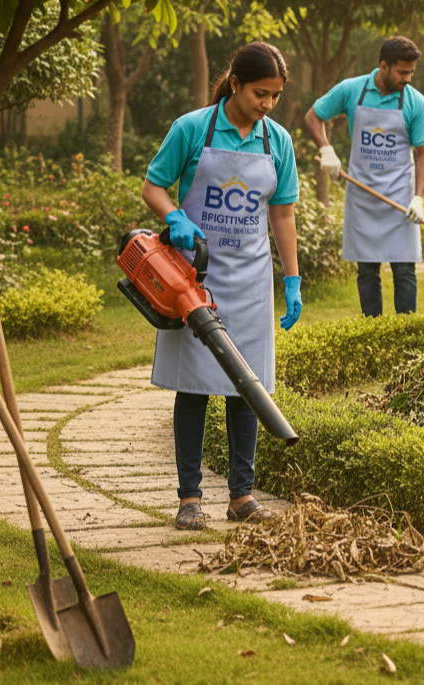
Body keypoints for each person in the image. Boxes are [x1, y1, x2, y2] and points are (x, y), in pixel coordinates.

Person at [141, 42, 303, 530]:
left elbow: (283, 213)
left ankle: (241, 496)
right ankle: (189, 498)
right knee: (194, 387)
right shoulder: (192, 128)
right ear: (235, 84)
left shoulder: (278, 142)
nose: (267, 104)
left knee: (246, 388)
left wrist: (292, 278)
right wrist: (173, 216)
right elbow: (153, 185)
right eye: (260, 93)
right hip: (193, 280)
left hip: (251, 279)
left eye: (275, 96)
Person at [304, 36, 424, 317]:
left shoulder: (416, 102)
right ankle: (372, 329)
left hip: (400, 198)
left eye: (412, 72)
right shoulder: (352, 90)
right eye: (402, 72)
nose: (408, 78)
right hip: (362, 196)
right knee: (366, 271)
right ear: (384, 66)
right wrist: (326, 150)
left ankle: (406, 330)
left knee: (405, 270)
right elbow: (313, 116)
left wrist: (418, 198)